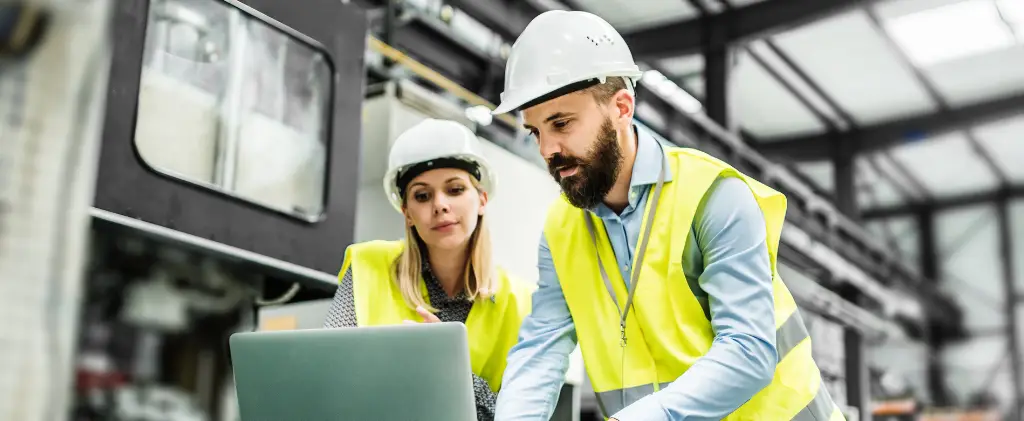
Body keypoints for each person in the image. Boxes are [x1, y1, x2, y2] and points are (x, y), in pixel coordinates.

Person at [491, 10, 845, 421]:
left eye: (562, 123)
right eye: (536, 132)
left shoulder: (712, 196)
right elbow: (540, 350)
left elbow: (749, 351)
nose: (547, 149)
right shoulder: (561, 230)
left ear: (622, 108)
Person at [322, 118, 534, 421]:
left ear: (482, 199)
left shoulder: (522, 302)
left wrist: (451, 368)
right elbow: (330, 375)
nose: (440, 205)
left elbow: (520, 413)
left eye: (455, 189)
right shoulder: (367, 266)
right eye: (422, 195)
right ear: (407, 213)